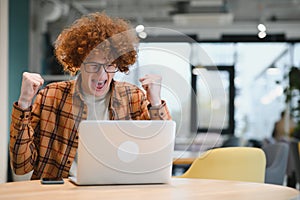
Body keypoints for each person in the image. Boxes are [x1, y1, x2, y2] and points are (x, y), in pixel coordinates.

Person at [10, 12, 171, 180]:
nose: (101, 75)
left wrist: (156, 103)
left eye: (110, 65)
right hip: (60, 193)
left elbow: (160, 154)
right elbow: (21, 166)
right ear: (79, 63)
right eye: (93, 65)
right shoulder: (51, 96)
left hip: (116, 189)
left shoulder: (133, 97)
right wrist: (24, 103)